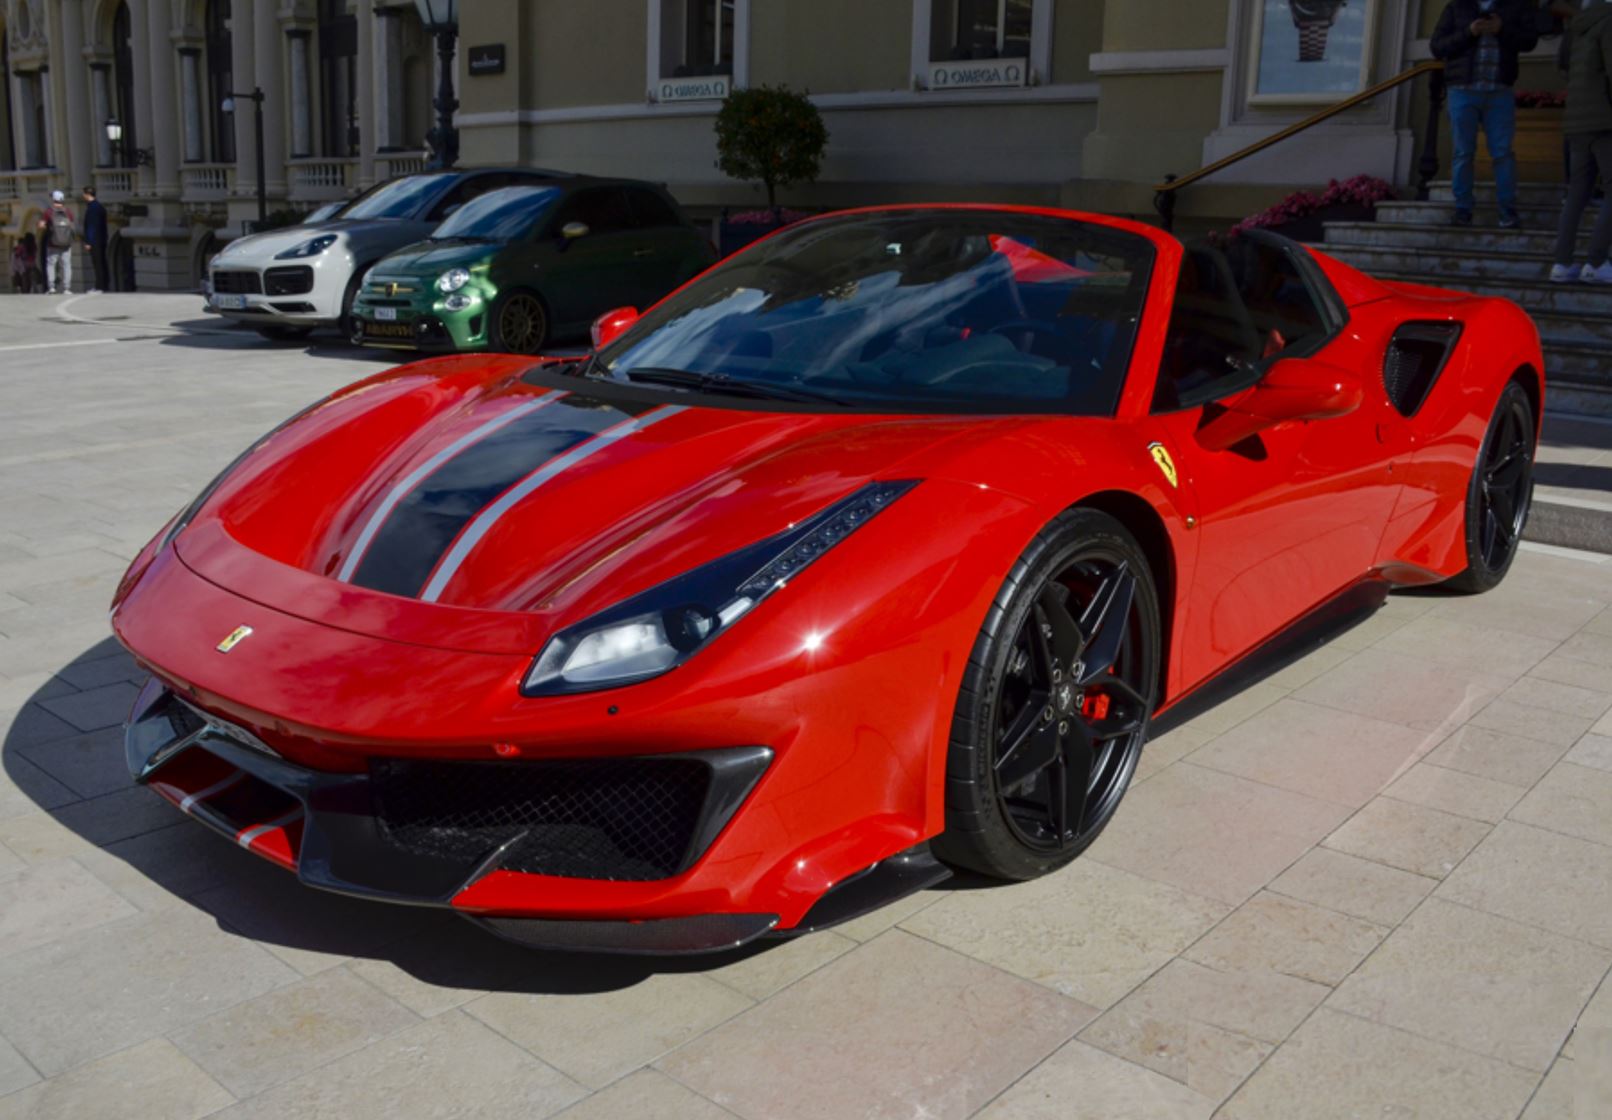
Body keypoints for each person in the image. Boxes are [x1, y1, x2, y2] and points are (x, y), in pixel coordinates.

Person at [1432, 0, 1541, 227]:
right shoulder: (1456, 6)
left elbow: (1529, 41)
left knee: (1503, 154)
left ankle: (1507, 212)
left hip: (1499, 91)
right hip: (1462, 90)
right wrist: (1469, 32)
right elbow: (1437, 46)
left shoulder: (1513, 6)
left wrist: (1503, 30)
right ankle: (1463, 210)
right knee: (1463, 153)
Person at [1551, 0, 1612, 283]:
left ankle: (1562, 264)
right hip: (1605, 121)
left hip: (1576, 121)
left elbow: (1563, 65)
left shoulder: (1577, 27)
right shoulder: (1609, 22)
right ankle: (1596, 262)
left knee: (1577, 193)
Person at [36, 189, 77, 295]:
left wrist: (44, 226)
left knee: (51, 265)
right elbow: (72, 226)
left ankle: (52, 287)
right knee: (67, 265)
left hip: (52, 243)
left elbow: (41, 225)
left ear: (53, 199)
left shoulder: (49, 212)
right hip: (66, 244)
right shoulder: (68, 212)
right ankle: (67, 288)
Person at [82, 185, 108, 294]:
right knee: (101, 262)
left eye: (84, 194)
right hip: (101, 239)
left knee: (97, 264)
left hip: (95, 241)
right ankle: (103, 285)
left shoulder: (92, 208)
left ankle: (99, 287)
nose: (83, 196)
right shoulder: (99, 207)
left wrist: (88, 242)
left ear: (88, 194)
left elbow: (91, 226)